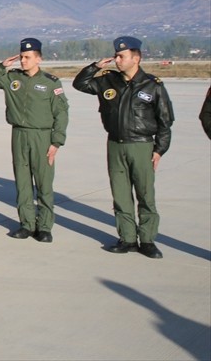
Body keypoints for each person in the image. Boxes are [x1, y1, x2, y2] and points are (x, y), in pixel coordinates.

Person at [72, 36, 175, 259]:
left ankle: (147, 240)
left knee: (145, 195)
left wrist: (159, 150)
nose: (117, 59)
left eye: (122, 56)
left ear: (136, 58)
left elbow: (165, 122)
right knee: (120, 195)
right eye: (116, 55)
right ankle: (127, 238)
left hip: (142, 146)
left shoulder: (152, 85)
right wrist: (95, 67)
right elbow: (79, 84)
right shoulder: (108, 80)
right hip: (115, 145)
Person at [0, 38, 69, 243]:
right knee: (23, 182)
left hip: (42, 136)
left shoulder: (50, 82)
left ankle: (44, 227)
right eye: (21, 57)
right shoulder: (12, 78)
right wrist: (1, 66)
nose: (23, 61)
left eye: (27, 57)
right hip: (19, 135)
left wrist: (56, 142)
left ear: (39, 59)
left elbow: (61, 113)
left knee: (44, 184)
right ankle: (27, 224)